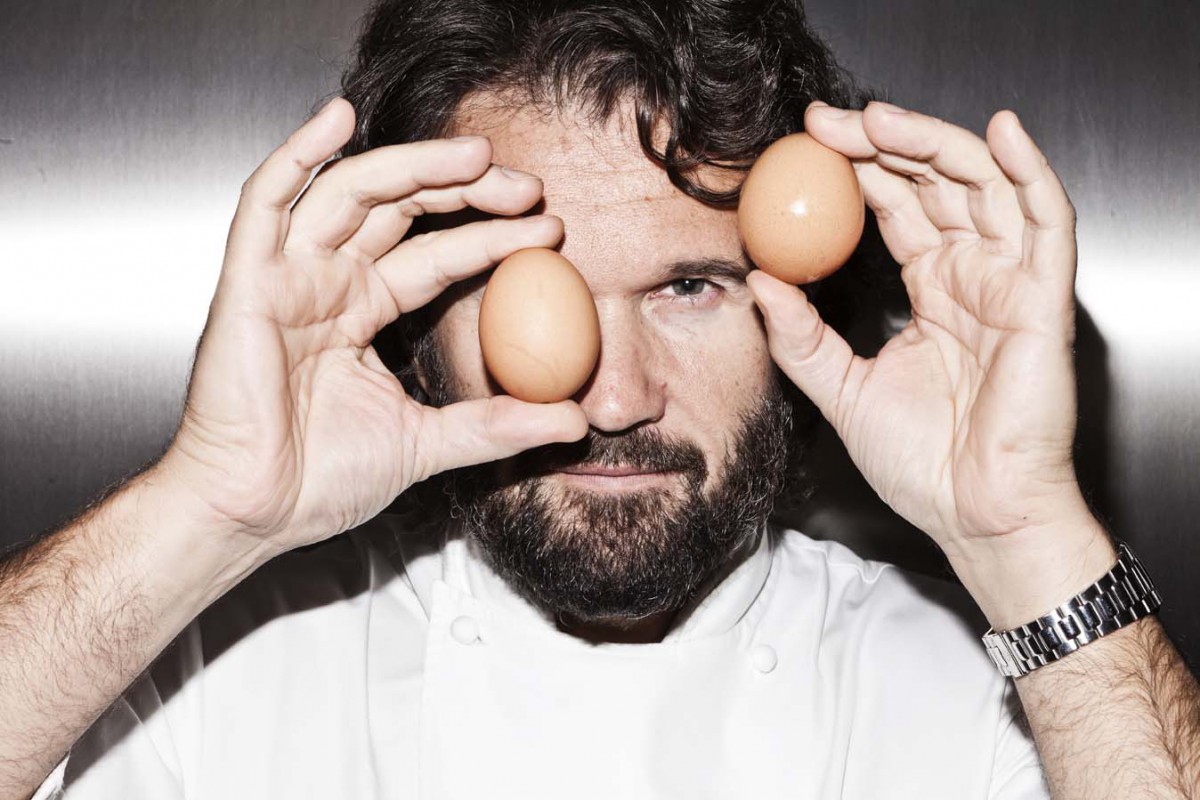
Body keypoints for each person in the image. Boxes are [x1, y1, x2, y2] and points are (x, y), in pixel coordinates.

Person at [2, 0, 1198, 797]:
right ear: (418, 315)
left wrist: (1027, 535)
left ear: (801, 305)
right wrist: (207, 502)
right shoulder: (211, 677)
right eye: (531, 292)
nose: (614, 397)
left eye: (689, 285)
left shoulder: (992, 695)